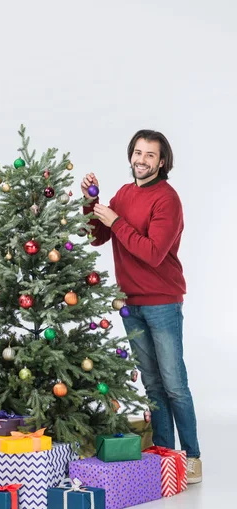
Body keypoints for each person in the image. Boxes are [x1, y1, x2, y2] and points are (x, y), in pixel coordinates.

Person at [81, 130, 202, 483]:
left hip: (162, 302)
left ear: (162, 162)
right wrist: (92, 202)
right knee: (152, 385)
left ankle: (192, 456)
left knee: (174, 384)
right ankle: (165, 453)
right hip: (130, 305)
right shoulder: (124, 193)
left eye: (150, 155)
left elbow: (152, 252)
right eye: (138, 152)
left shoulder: (167, 199)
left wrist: (115, 221)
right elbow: (96, 236)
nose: (142, 160)